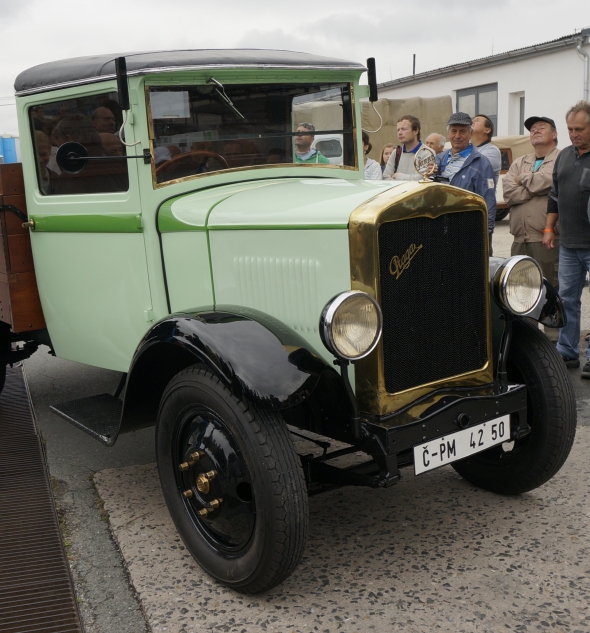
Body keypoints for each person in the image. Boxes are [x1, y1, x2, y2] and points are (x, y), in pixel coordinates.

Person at [503, 115, 560, 342]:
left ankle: (555, 341)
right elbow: (508, 192)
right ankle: (529, 340)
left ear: (554, 134)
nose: (535, 130)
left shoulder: (560, 158)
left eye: (541, 127)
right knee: (521, 289)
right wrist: (534, 185)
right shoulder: (520, 161)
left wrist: (525, 180)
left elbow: (550, 181)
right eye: (532, 129)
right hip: (520, 238)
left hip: (546, 238)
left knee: (550, 288)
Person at [543, 101, 590, 375]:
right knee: (567, 300)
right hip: (569, 245)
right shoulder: (563, 156)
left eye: (579, 129)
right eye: (570, 129)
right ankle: (568, 352)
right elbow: (555, 194)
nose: (574, 134)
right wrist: (549, 228)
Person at [434, 112, 497, 243]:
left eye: (462, 131)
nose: (457, 136)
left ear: (470, 134)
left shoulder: (481, 162)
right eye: (454, 131)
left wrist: (487, 233)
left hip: (468, 232)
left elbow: (488, 200)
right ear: (448, 134)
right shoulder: (439, 159)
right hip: (440, 229)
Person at [383, 115, 422, 180]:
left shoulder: (426, 152)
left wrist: (398, 176)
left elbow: (421, 179)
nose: (399, 133)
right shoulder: (396, 152)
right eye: (398, 130)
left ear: (415, 131)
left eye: (404, 129)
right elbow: (386, 177)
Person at [471, 114, 501, 184]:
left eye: (477, 120)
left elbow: (474, 170)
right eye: (472, 120)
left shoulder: (492, 151)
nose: (472, 121)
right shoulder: (464, 149)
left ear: (487, 130)